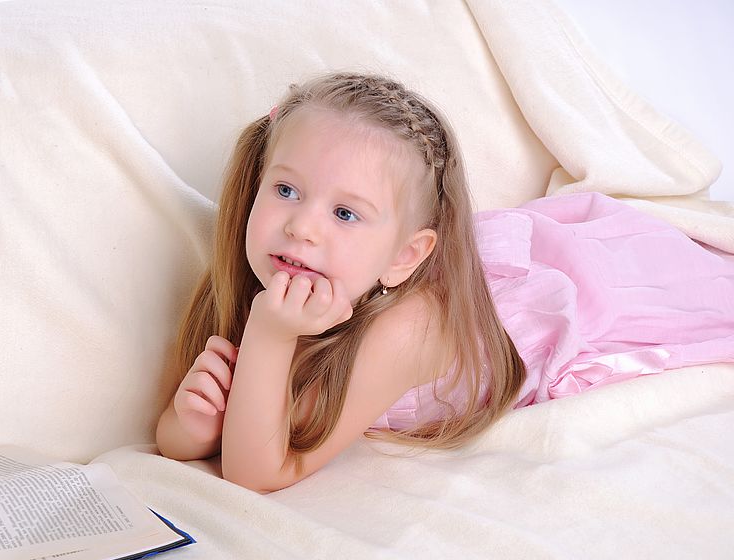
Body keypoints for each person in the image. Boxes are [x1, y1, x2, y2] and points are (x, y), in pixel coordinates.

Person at [156, 71, 734, 493]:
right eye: (285, 190)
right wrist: (190, 427)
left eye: (345, 214)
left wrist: (270, 337)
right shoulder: (271, 277)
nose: (301, 226)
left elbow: (258, 470)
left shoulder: (404, 332)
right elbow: (203, 434)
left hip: (571, 301)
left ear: (404, 256)